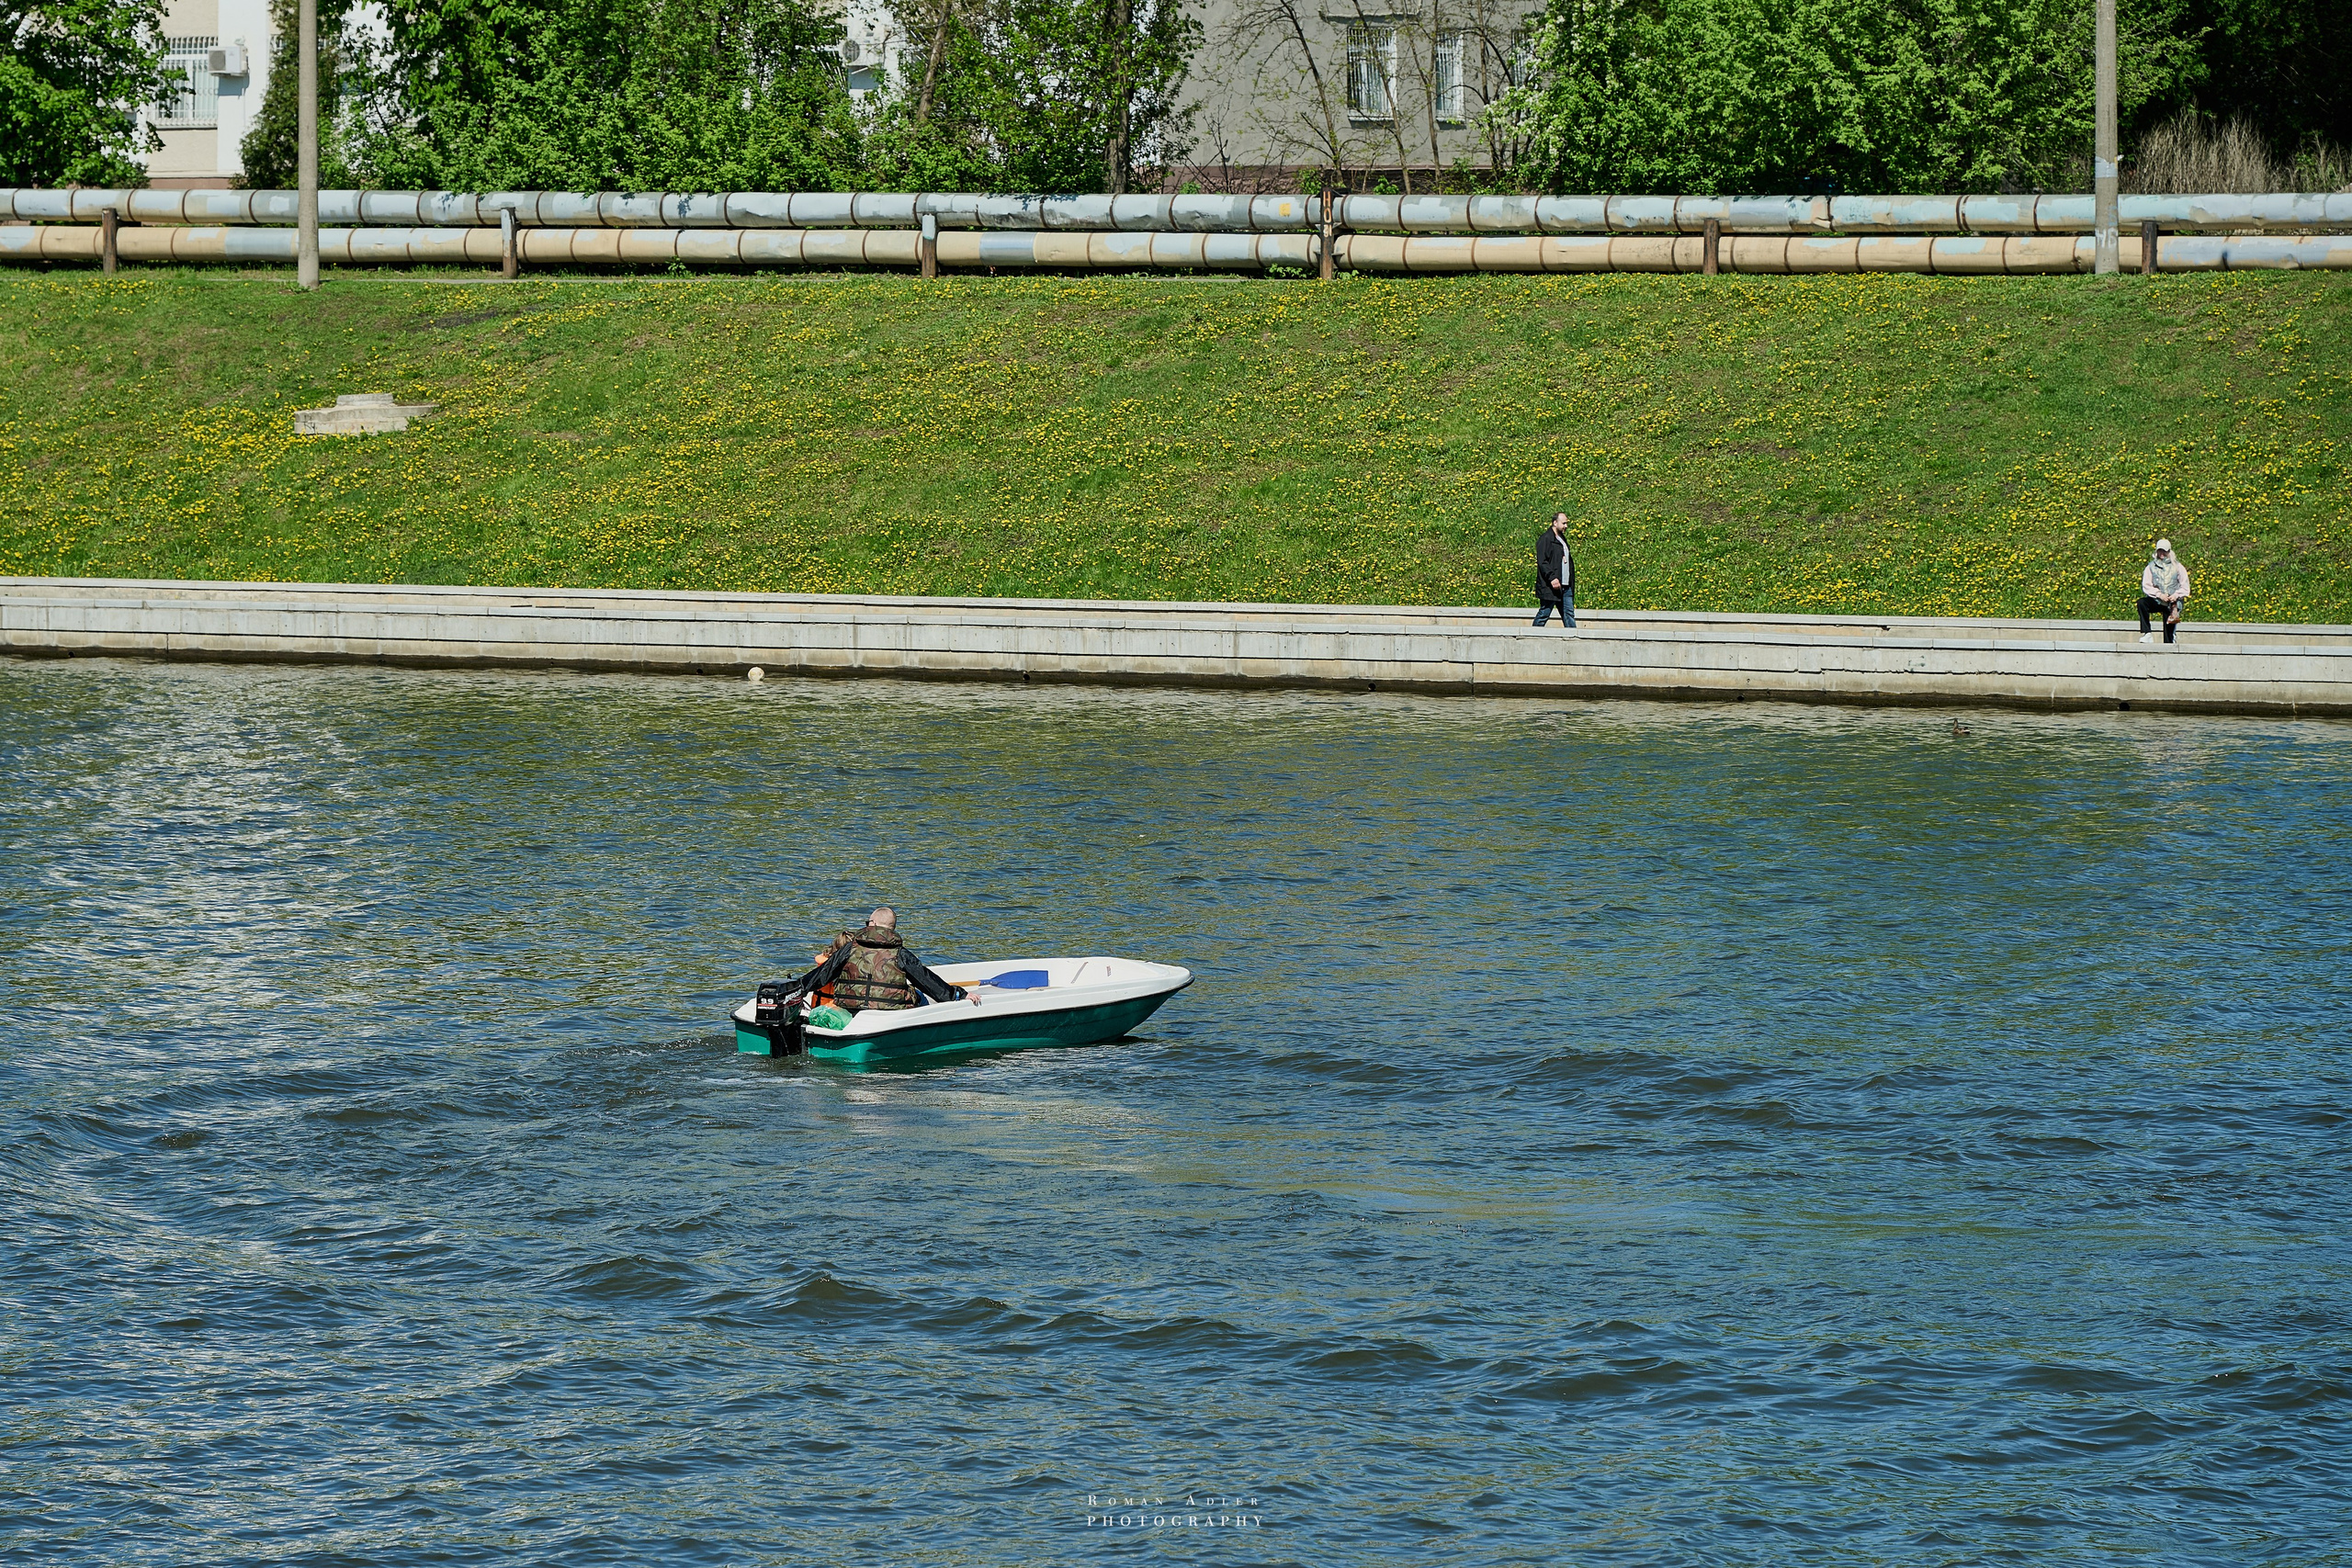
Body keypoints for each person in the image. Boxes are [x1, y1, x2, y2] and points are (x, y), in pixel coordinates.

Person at [787, 908, 972, 1012]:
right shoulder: (900, 953)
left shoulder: (850, 948)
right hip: (889, 1009)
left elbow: (823, 974)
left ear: (873, 924)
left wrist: (795, 989)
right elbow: (926, 979)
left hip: (850, 1005)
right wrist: (958, 995)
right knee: (920, 995)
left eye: (868, 922)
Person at [2138, 539, 2191, 645]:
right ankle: (2147, 633)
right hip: (2157, 600)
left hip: (2172, 603)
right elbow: (2146, 585)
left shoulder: (2178, 567)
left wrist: (2176, 595)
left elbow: (2185, 587)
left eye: (2164, 551)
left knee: (2168, 639)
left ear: (2169, 551)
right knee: (2142, 603)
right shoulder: (2150, 567)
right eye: (2160, 551)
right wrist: (2159, 594)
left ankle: (2171, 638)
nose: (2162, 554)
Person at [1534, 513, 1577, 628]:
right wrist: (1552, 577)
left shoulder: (1561, 539)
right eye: (1564, 523)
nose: (1566, 526)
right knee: (1544, 613)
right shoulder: (1546, 539)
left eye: (1566, 523)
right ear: (1555, 523)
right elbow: (1542, 561)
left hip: (1565, 585)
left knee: (1568, 614)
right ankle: (1531, 636)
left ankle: (1573, 638)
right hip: (1551, 586)